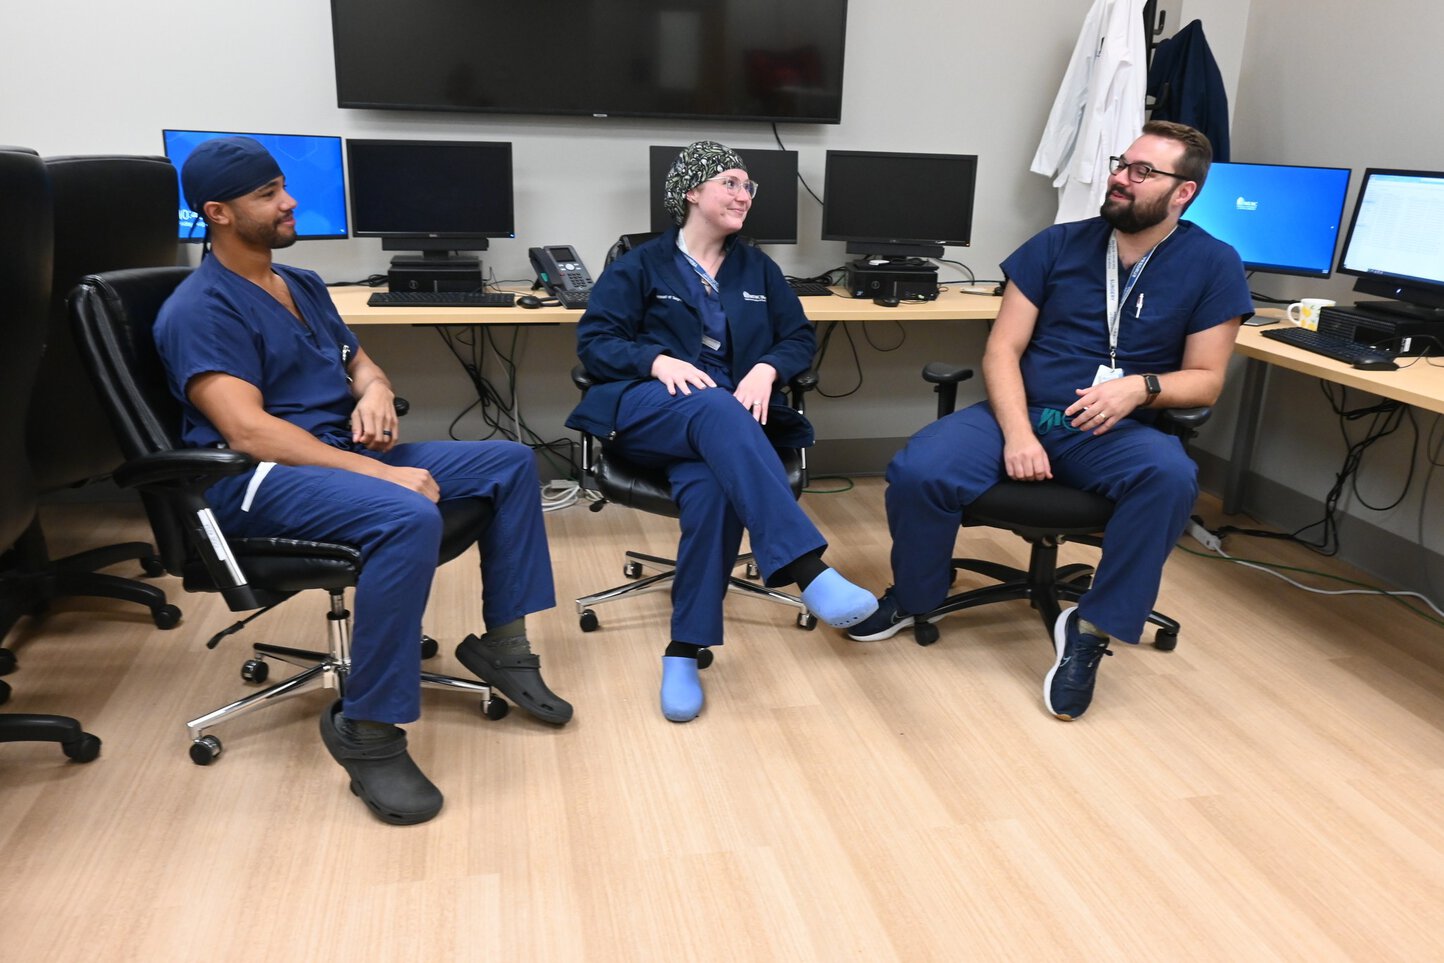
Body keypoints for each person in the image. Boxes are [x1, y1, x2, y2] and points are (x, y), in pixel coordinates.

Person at [153, 136, 571, 825]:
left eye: (283, 186)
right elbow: (249, 432)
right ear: (218, 213)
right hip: (257, 478)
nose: (289, 203)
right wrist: (382, 472)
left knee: (510, 461)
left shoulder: (303, 284)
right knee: (406, 514)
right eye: (268, 195)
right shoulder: (200, 310)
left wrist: (373, 390)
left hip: (332, 452)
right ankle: (368, 729)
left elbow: (361, 362)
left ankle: (504, 646)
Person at [849, 120, 1253, 720]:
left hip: (1111, 430)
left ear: (1182, 193)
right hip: (1024, 411)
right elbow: (1001, 350)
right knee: (918, 468)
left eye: (1142, 172)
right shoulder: (1057, 245)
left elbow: (1206, 378)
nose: (1120, 177)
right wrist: (1016, 433)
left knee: (1169, 477)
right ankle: (915, 596)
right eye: (1122, 163)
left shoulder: (1214, 264)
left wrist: (1138, 390)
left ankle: (1090, 628)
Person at [566, 140, 877, 723]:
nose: (744, 195)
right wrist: (656, 361)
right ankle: (808, 569)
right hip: (647, 413)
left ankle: (683, 650)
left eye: (748, 186)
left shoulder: (758, 269)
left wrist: (766, 368)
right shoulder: (638, 266)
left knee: (712, 487)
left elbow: (798, 340)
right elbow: (596, 342)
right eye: (731, 182)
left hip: (724, 434)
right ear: (692, 191)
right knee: (713, 408)